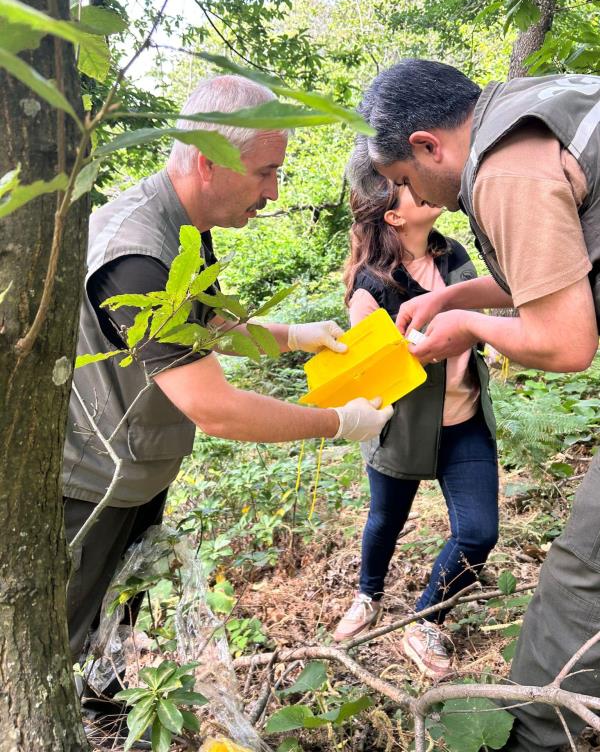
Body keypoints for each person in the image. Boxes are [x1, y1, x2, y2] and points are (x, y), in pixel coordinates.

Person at [63, 74, 393, 737]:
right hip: (88, 487)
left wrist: (294, 336)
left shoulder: (182, 225)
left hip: (135, 473)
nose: (274, 192)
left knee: (112, 629)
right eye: (267, 172)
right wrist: (340, 422)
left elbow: (201, 327)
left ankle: (103, 721)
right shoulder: (136, 254)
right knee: (59, 639)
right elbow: (215, 408)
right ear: (210, 161)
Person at [357, 59, 600, 751]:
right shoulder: (539, 104)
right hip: (414, 437)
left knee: (582, 575)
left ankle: (535, 738)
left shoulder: (501, 171)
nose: (409, 192)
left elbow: (564, 341)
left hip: (467, 428)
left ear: (430, 145)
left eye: (403, 177)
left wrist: (463, 329)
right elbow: (555, 268)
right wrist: (454, 297)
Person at [332, 144, 498, 680]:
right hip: (401, 429)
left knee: (478, 533)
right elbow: (366, 360)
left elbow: (487, 305)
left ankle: (427, 618)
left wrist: (483, 334)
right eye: (407, 182)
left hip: (465, 419)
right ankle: (367, 594)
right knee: (386, 519)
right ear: (393, 213)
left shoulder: (453, 257)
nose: (423, 180)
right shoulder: (373, 284)